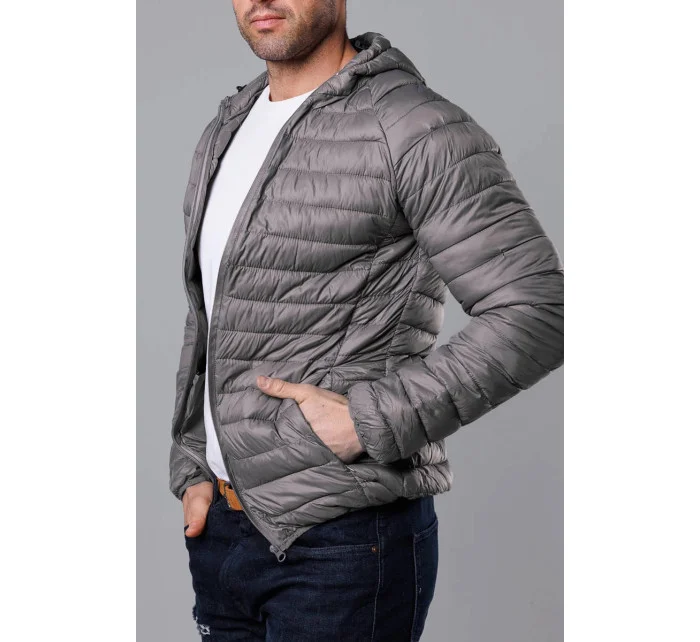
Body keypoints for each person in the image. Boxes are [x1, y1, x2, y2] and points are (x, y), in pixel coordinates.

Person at [169, 1, 564, 640]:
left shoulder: (412, 126)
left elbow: (539, 307)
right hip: (223, 533)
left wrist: (369, 419)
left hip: (343, 544)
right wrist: (192, 466)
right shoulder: (229, 125)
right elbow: (213, 316)